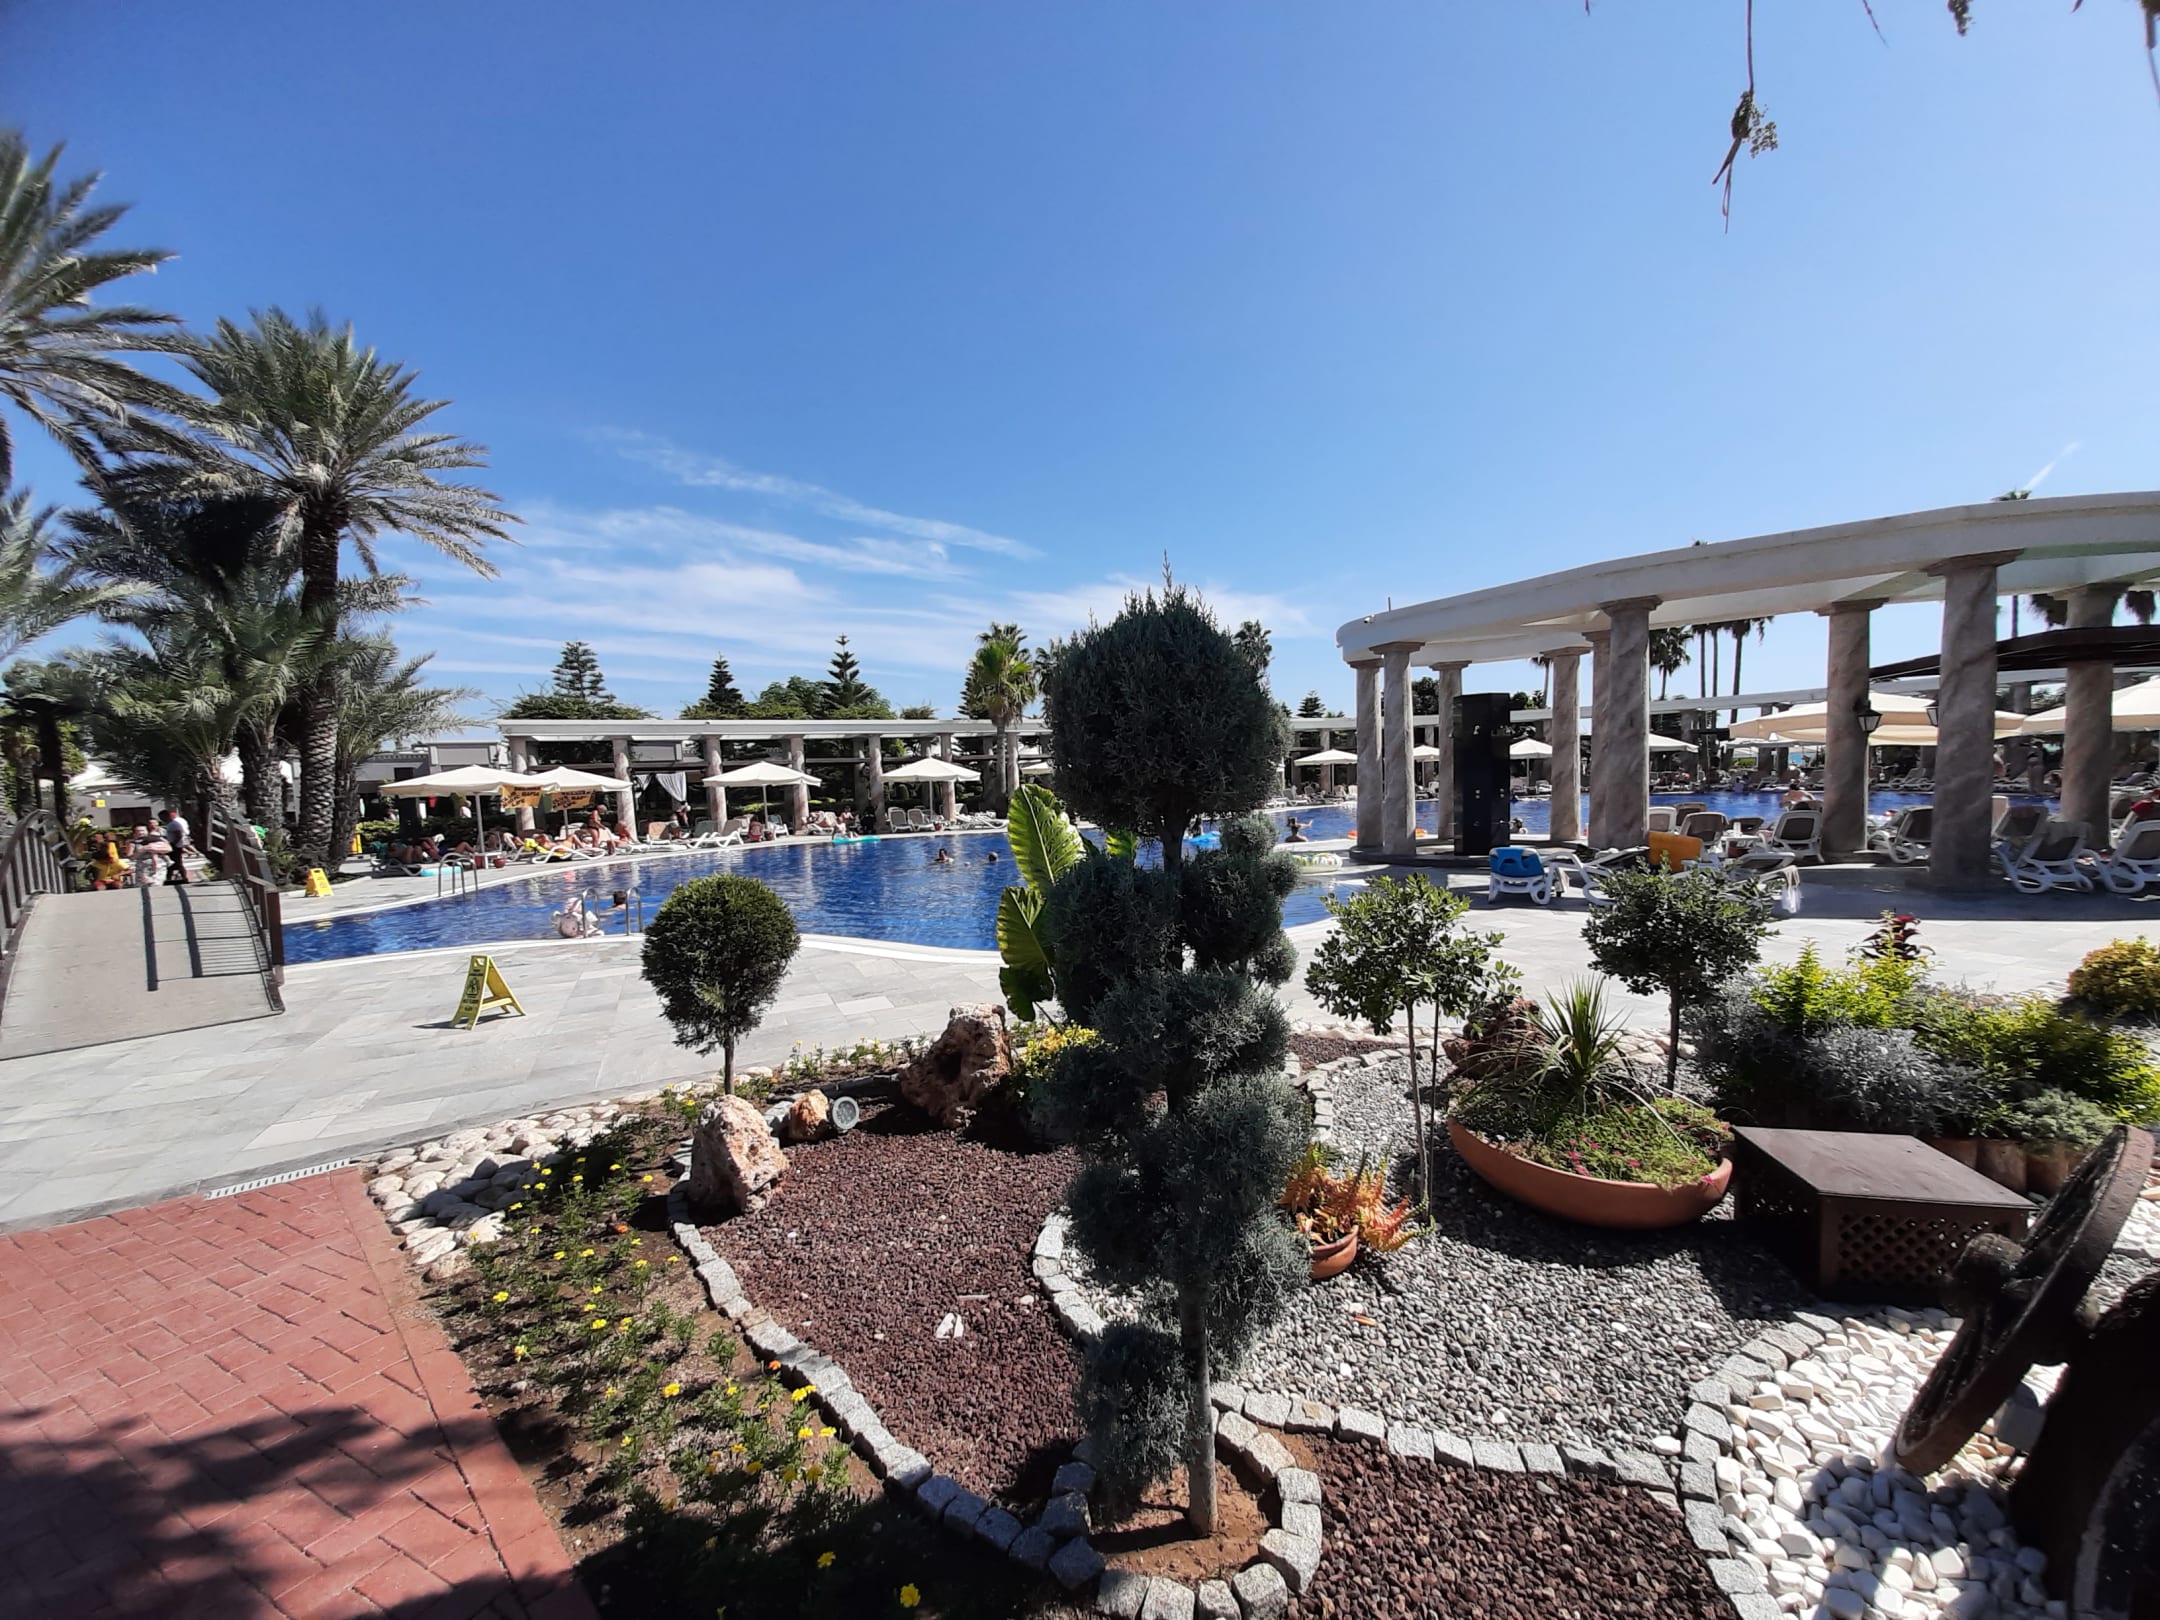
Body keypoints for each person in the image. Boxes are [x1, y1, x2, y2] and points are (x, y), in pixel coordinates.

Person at [159, 807, 192, 885]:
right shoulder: (170, 824)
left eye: (162, 817)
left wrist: (174, 843)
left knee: (177, 862)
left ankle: (183, 877)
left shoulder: (174, 824)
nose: (161, 819)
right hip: (173, 844)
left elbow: (179, 834)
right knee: (172, 862)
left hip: (175, 845)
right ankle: (169, 877)